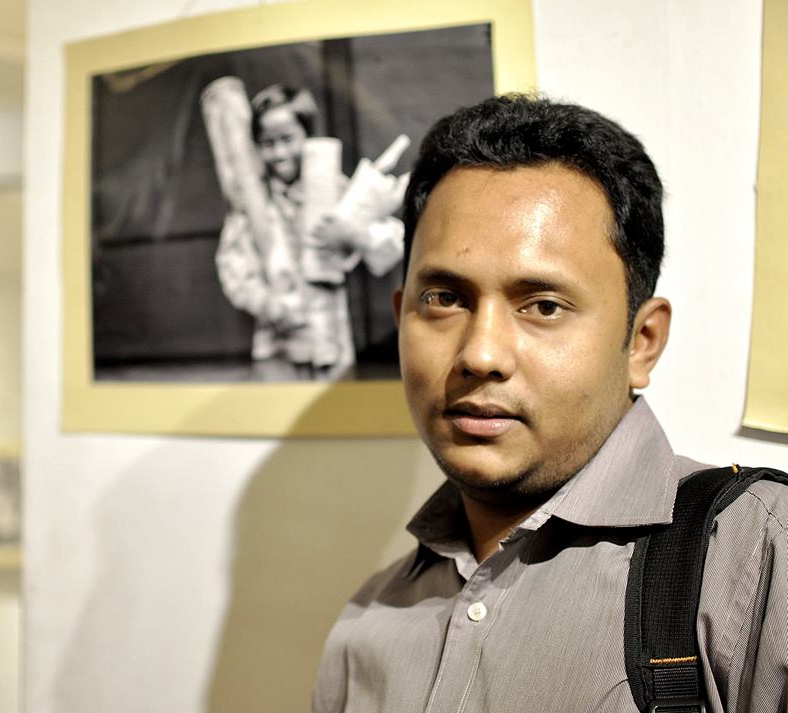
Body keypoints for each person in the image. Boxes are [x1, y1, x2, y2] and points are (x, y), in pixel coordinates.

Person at [312, 95, 788, 712]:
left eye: (542, 305)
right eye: (445, 299)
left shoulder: (753, 557)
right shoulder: (366, 624)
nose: (480, 354)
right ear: (402, 317)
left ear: (641, 343)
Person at [213, 84, 406, 381]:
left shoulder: (333, 188)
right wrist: (271, 306)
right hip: (276, 351)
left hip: (331, 346)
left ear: (308, 136)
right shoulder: (251, 203)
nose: (279, 153)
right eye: (267, 143)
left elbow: (392, 242)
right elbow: (232, 269)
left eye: (288, 139)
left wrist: (353, 234)